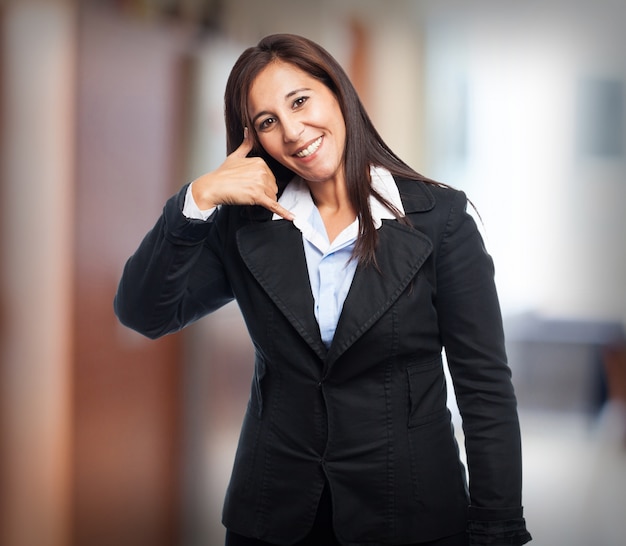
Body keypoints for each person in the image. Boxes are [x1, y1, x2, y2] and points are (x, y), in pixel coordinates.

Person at [114, 33, 532, 546]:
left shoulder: (439, 221)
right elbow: (143, 312)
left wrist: (498, 528)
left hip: (412, 516)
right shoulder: (244, 226)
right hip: (273, 518)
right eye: (268, 121)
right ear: (254, 139)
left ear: (337, 91)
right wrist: (195, 201)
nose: (292, 131)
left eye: (300, 101)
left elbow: (485, 390)